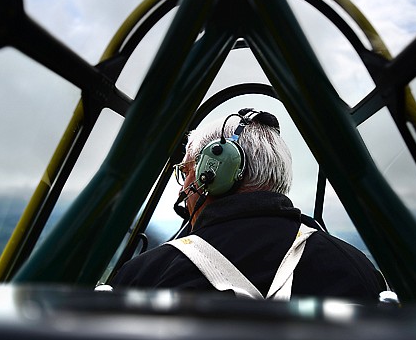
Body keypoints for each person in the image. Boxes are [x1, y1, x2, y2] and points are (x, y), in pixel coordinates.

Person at [110, 108, 386, 301]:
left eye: (187, 172)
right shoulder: (358, 268)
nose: (184, 187)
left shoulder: (144, 277)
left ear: (213, 172)